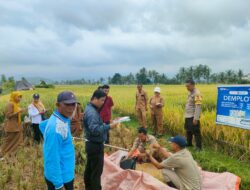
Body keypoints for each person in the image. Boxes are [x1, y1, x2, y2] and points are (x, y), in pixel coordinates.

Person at [39, 91, 77, 190]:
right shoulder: (55, 129)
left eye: (73, 104)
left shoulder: (63, 118)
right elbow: (52, 158)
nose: (71, 108)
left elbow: (42, 125)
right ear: (57, 105)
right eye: (67, 104)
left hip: (66, 171)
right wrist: (59, 185)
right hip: (61, 178)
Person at [83, 89, 118, 190]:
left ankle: (88, 187)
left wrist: (105, 124)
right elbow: (95, 130)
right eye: (102, 100)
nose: (103, 103)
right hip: (95, 145)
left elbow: (95, 126)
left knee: (90, 169)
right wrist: (109, 126)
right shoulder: (92, 113)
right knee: (96, 172)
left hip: (91, 144)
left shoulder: (89, 108)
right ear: (95, 99)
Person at [0, 91, 25, 160]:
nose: (19, 98)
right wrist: (18, 112)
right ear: (14, 97)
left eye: (20, 97)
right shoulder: (10, 104)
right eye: (18, 97)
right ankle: (2, 154)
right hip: (11, 126)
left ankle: (10, 153)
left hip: (17, 126)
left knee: (15, 141)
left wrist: (19, 112)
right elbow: (8, 115)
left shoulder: (16, 104)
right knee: (9, 140)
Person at [184, 79, 202, 150]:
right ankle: (189, 143)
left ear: (192, 85)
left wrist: (196, 118)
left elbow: (198, 106)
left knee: (196, 132)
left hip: (193, 116)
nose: (187, 88)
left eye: (188, 86)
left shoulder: (197, 94)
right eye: (186, 86)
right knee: (188, 130)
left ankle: (198, 147)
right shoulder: (190, 92)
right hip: (188, 115)